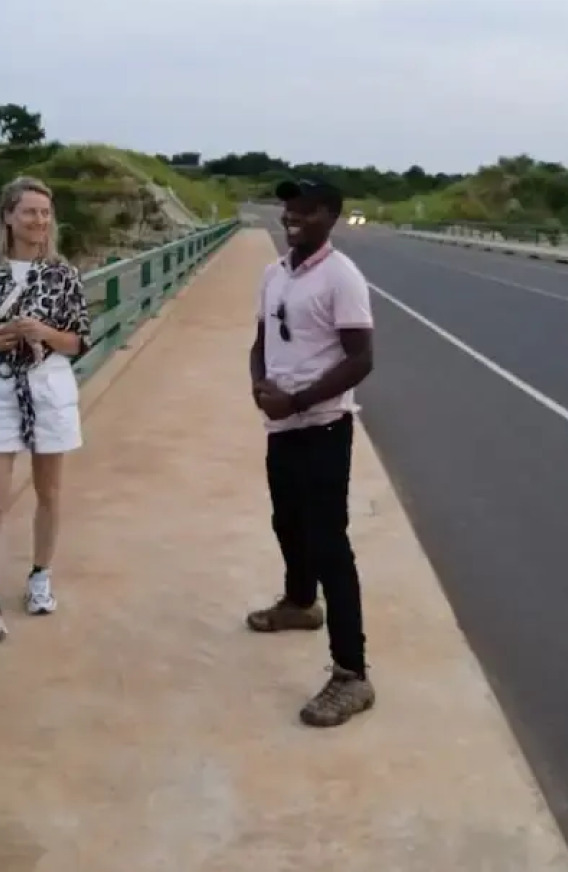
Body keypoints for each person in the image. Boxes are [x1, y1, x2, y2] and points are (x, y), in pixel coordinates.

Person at [248, 178, 377, 727]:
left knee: (329, 544)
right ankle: (301, 604)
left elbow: (361, 359)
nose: (291, 215)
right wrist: (260, 386)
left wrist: (297, 399)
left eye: (304, 208)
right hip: (282, 426)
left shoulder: (341, 277)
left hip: (323, 426)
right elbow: (261, 342)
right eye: (287, 206)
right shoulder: (274, 275)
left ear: (330, 215)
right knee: (287, 523)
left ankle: (352, 674)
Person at [0, 176, 91, 643]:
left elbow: (77, 341)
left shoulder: (63, 274)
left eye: (45, 213)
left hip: (48, 387)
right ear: (8, 216)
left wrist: (43, 332)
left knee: (49, 492)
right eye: (29, 211)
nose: (39, 221)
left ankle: (39, 575)